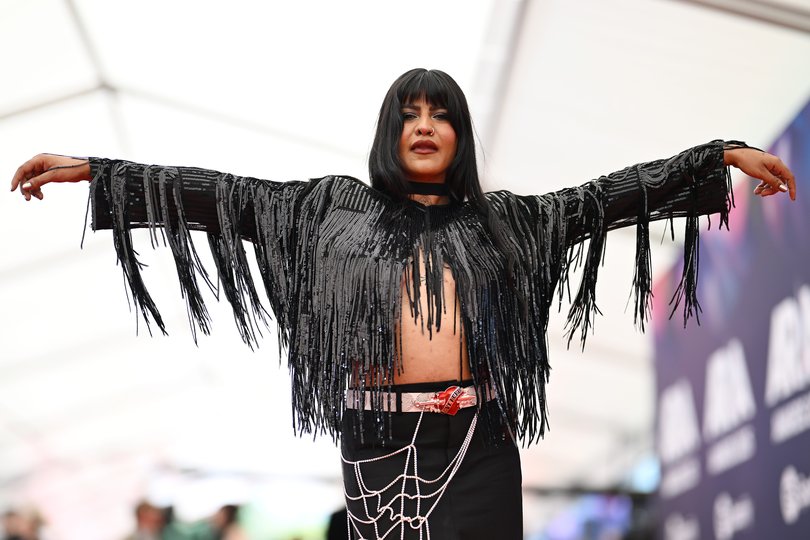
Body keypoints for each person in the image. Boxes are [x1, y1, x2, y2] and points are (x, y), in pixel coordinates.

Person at [10, 69, 795, 539]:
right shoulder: (331, 207)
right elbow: (221, 196)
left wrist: (717, 157)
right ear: (391, 130)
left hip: (480, 438)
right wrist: (96, 171)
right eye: (410, 114)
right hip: (377, 433)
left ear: (461, 133)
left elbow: (605, 198)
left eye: (442, 113)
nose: (425, 125)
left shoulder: (509, 218)